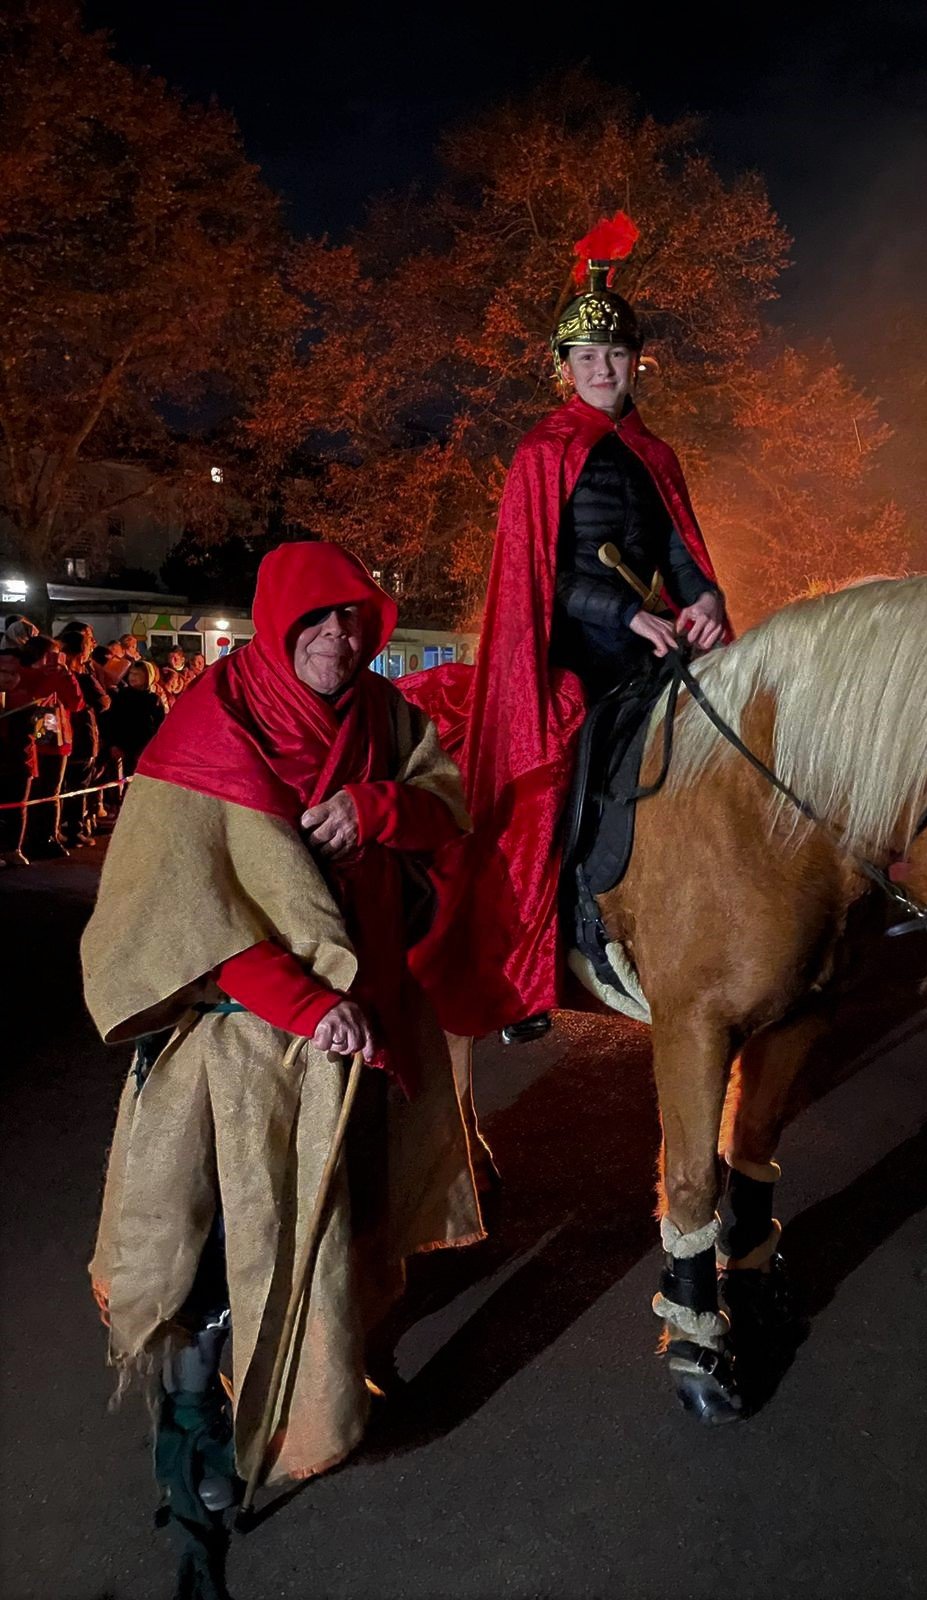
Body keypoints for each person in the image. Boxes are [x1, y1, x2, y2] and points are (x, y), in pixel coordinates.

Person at [83, 543, 482, 1541]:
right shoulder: (208, 725)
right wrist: (302, 1002)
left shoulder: (386, 716)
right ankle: (194, 1435)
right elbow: (180, 917)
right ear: (279, 622)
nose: (338, 638)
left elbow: (446, 807)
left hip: (364, 1024)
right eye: (318, 619)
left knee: (342, 1220)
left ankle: (326, 1378)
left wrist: (378, 806)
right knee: (223, 1248)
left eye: (353, 620)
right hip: (247, 1045)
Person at [406, 216, 727, 1042]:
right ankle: (542, 955)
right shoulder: (541, 452)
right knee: (550, 785)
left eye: (615, 355)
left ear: (635, 362)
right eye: (588, 358)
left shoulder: (656, 454)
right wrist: (626, 612)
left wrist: (704, 599)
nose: (603, 369)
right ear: (565, 368)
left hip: (654, 649)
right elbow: (536, 577)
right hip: (570, 659)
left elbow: (678, 550)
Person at [18, 633, 83, 858]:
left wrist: (67, 675)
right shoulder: (23, 674)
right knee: (34, 790)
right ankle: (32, 837)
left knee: (52, 790)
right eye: (52, 654)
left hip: (57, 737)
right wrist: (46, 675)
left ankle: (49, 834)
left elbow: (77, 703)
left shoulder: (61, 674)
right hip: (33, 735)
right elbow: (33, 697)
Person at [56, 625, 111, 846]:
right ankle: (74, 828)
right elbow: (103, 701)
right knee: (78, 785)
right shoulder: (81, 677)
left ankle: (60, 827)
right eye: (89, 645)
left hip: (60, 736)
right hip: (80, 735)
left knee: (61, 785)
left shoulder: (57, 673)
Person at [0, 650, 39, 867]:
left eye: (13, 673)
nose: (8, 678)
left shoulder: (29, 698)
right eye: (3, 672)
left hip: (20, 760)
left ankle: (13, 848)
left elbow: (44, 733)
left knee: (17, 806)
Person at [104, 659, 165, 774]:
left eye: (137, 674)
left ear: (147, 677)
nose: (132, 677)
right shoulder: (122, 695)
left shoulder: (153, 699)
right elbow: (112, 721)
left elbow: (160, 725)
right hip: (124, 747)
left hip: (145, 748)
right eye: (131, 673)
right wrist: (113, 744)